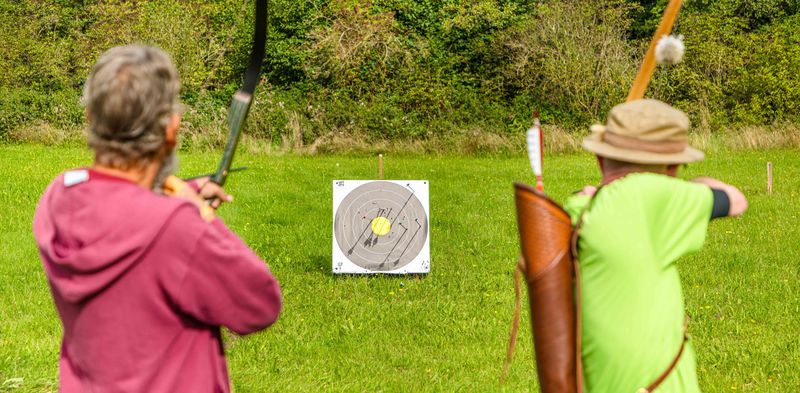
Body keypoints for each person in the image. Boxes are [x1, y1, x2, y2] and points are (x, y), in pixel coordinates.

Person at [32, 45, 282, 392]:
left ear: (90, 117)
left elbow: (115, 202)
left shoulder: (60, 195)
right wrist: (200, 213)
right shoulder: (178, 227)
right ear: (171, 128)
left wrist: (183, 189)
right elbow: (260, 304)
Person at [563, 99, 747, 392]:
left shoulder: (578, 206)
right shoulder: (650, 196)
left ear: (600, 159)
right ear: (672, 168)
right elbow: (735, 200)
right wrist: (685, 184)